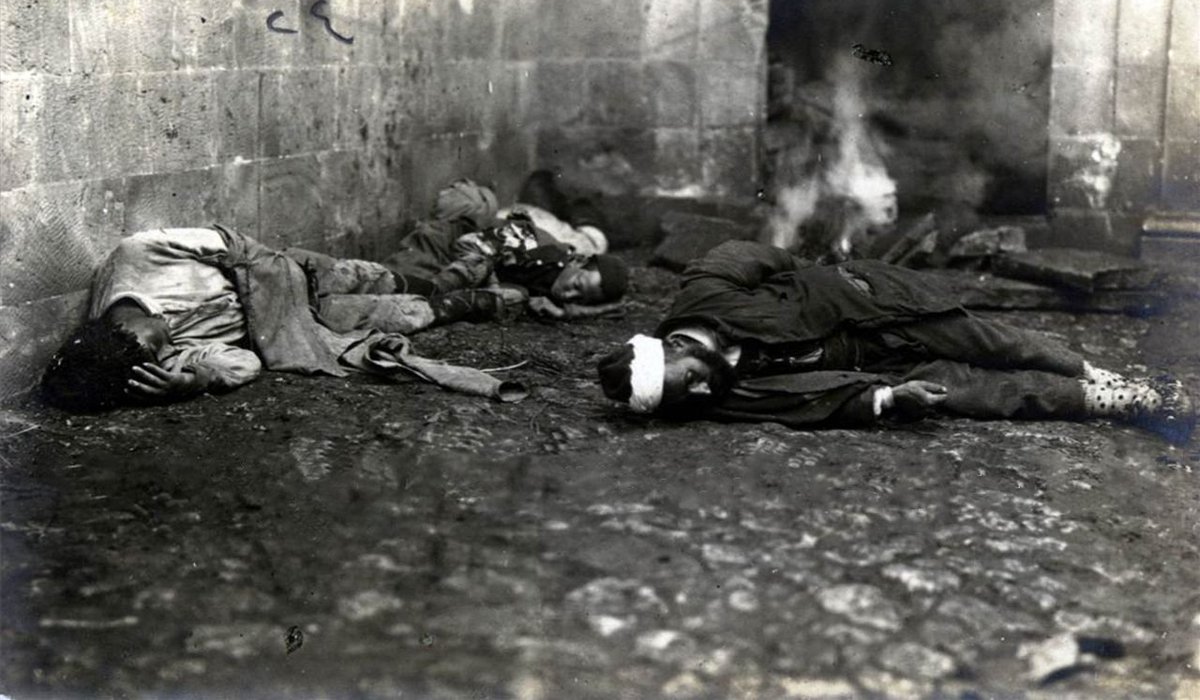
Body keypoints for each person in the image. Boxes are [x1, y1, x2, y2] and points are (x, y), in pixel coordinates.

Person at [597, 240, 1195, 443]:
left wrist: (815, 276)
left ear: (672, 348)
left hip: (875, 306)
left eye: (689, 378)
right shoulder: (718, 395)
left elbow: (745, 256)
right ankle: (1130, 400)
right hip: (872, 366)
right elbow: (801, 404)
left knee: (993, 340)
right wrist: (887, 400)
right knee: (979, 393)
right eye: (688, 398)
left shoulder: (702, 291)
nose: (702, 389)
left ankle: (1100, 374)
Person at [40, 226, 527, 413]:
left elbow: (232, 243)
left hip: (293, 271)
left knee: (394, 280)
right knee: (409, 317)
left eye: (154, 348)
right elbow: (246, 364)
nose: (169, 349)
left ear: (116, 325)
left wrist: (280, 289)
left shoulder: (140, 255)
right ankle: (487, 299)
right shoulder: (169, 358)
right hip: (304, 324)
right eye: (162, 359)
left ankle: (485, 257)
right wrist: (195, 379)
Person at [381, 179, 629, 321]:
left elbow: (618, 306)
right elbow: (467, 245)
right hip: (440, 247)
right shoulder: (536, 245)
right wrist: (495, 289)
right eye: (577, 286)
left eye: (580, 299)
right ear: (578, 261)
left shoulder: (557, 278)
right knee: (387, 290)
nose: (570, 296)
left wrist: (567, 312)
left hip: (458, 266)